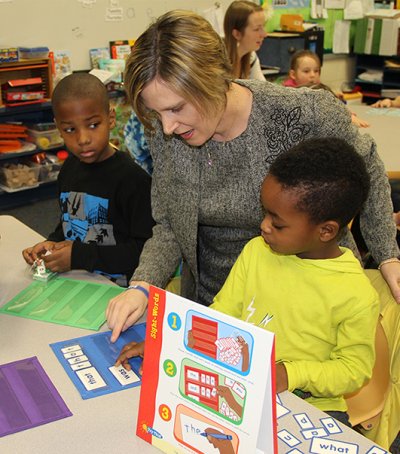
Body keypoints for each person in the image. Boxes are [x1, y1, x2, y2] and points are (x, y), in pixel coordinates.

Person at [106, 10, 399, 342]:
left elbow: (368, 165)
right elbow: (170, 226)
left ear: (215, 79)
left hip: (304, 310)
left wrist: (386, 253)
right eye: (157, 112)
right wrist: (142, 286)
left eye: (176, 108)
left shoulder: (302, 115)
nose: (168, 127)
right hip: (216, 305)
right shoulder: (165, 131)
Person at [115, 137, 380, 427]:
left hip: (313, 407)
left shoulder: (356, 293)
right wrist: (167, 343)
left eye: (277, 223)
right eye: (264, 212)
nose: (264, 225)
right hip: (240, 388)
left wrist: (291, 374)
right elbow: (220, 315)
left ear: (326, 231)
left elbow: (354, 370)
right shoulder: (257, 250)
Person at [22, 73, 154, 286]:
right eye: (70, 129)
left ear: (110, 118)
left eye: (93, 125)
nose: (83, 139)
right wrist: (52, 243)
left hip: (119, 291)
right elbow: (71, 221)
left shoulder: (133, 179)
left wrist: (79, 256)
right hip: (77, 280)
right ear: (58, 128)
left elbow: (145, 251)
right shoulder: (69, 170)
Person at [284, 51, 369, 128]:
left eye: (316, 71)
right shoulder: (289, 95)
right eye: (306, 71)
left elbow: (333, 107)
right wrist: (346, 116)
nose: (312, 75)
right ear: (293, 74)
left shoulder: (318, 90)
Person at [224, 0, 267, 81]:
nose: (264, 34)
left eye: (263, 27)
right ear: (237, 34)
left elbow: (264, 88)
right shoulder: (216, 61)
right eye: (257, 29)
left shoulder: (251, 56)